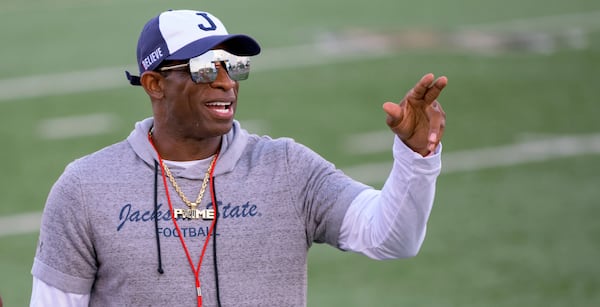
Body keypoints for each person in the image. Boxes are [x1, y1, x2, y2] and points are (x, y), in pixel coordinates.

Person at [29, 9, 447, 307]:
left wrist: (415, 156)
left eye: (234, 66)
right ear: (155, 83)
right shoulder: (85, 187)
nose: (227, 82)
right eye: (207, 68)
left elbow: (392, 239)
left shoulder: (288, 168)